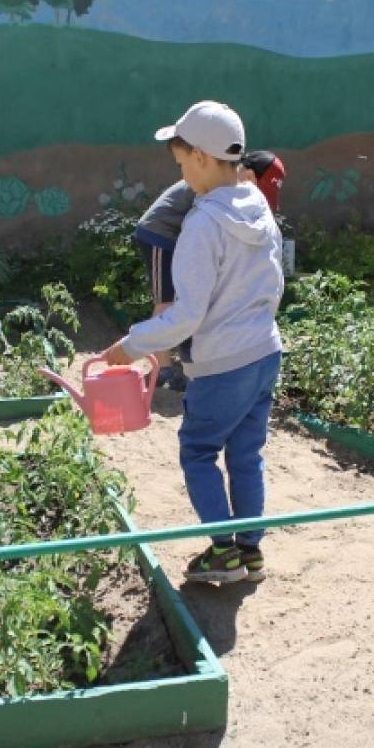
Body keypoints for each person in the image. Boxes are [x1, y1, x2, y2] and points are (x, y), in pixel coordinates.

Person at [103, 101, 284, 584]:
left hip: (223, 362)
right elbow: (274, 282)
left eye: (183, 164)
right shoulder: (258, 207)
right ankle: (250, 551)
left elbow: (187, 313)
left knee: (199, 451)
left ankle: (223, 553)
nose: (182, 175)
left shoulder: (203, 224)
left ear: (202, 157)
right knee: (246, 454)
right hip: (266, 351)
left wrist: (132, 345)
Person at [133, 150, 286, 390]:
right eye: (258, 186)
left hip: (178, 235)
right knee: (167, 300)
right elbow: (200, 229)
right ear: (246, 174)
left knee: (185, 300)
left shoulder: (227, 185)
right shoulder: (211, 188)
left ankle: (179, 363)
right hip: (160, 233)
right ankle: (161, 369)